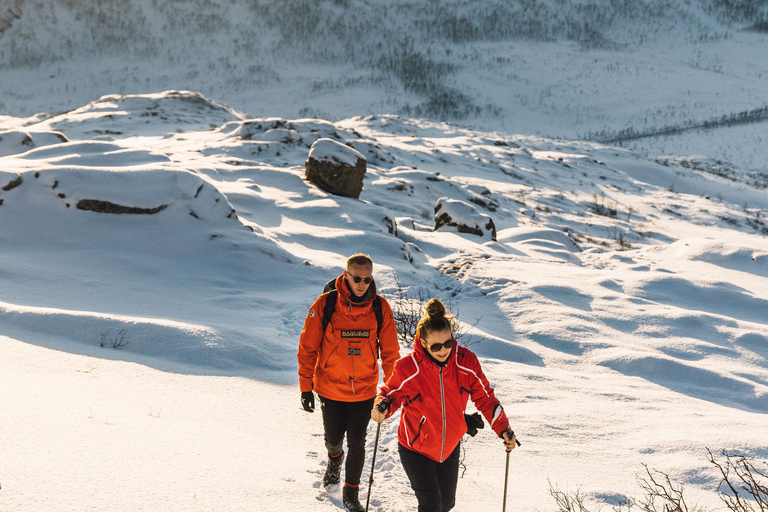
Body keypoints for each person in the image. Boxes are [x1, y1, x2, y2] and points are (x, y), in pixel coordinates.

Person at [371, 298, 517, 512]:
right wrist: (381, 408)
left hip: (450, 445)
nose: (443, 350)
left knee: (446, 504)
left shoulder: (465, 362)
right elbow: (390, 394)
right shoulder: (409, 367)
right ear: (422, 343)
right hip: (416, 447)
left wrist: (503, 429)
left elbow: (486, 398)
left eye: (448, 344)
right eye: (436, 346)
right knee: (431, 505)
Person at [298, 253, 400, 512]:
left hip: (364, 390)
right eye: (356, 278)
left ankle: (351, 494)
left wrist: (391, 392)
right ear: (345, 276)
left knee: (357, 442)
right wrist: (305, 387)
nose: (362, 284)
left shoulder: (380, 308)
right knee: (334, 439)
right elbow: (307, 347)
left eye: (367, 279)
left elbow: (390, 354)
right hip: (329, 387)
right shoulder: (325, 304)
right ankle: (334, 459)